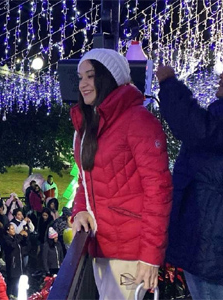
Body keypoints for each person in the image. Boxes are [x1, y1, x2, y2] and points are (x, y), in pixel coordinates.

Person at [70, 48, 172, 299]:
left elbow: (158, 191)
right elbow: (85, 179)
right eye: (80, 77)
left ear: (109, 77)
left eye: (91, 76)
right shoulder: (89, 123)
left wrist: (150, 257)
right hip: (101, 244)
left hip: (131, 251)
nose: (83, 84)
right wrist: (79, 209)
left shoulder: (138, 121)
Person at [156, 67, 223, 297]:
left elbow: (197, 128)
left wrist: (169, 84)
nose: (221, 76)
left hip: (212, 252)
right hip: (208, 245)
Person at [3, 223, 28, 297]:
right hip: (12, 264)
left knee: (18, 281)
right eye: (12, 229)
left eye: (14, 228)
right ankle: (10, 295)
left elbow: (23, 244)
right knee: (12, 281)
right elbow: (12, 245)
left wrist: (25, 237)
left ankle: (16, 295)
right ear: (7, 231)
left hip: (19, 263)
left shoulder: (16, 237)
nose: (14, 230)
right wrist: (20, 235)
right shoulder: (6, 239)